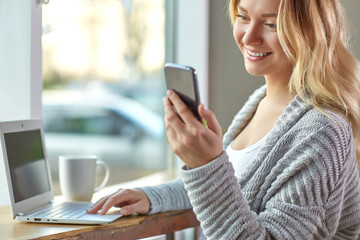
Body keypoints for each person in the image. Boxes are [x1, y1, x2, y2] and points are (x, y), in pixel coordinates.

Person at [87, 0, 360, 238]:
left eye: (271, 24)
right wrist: (152, 197)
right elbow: (232, 188)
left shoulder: (323, 130)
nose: (249, 37)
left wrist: (206, 163)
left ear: (310, 32)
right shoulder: (261, 100)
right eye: (243, 17)